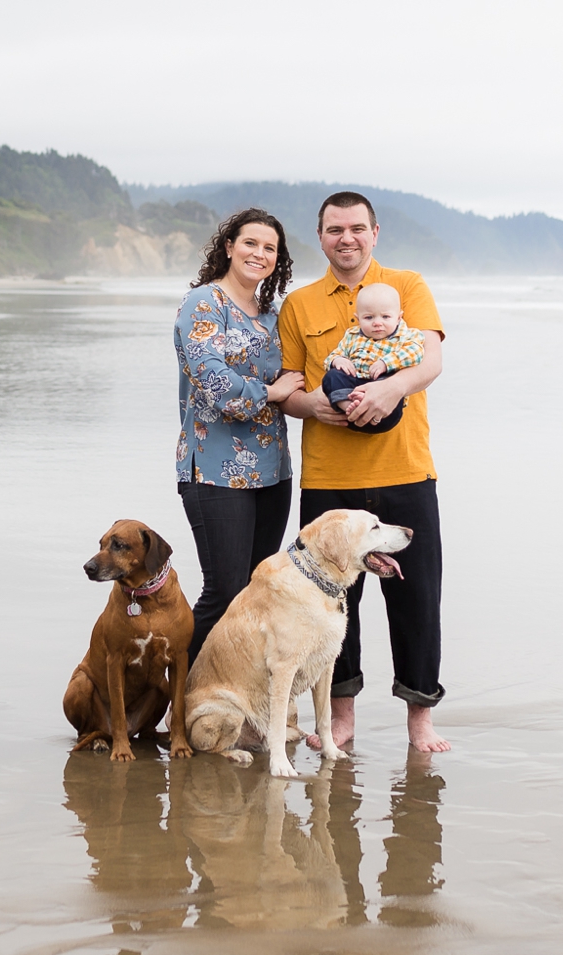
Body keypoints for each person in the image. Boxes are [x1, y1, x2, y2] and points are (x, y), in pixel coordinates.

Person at [278, 191, 450, 753]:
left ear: (375, 232)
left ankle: (420, 722)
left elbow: (430, 360)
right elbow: (288, 388)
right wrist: (314, 407)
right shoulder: (300, 304)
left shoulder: (408, 286)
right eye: (333, 230)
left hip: (405, 469)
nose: (345, 238)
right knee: (330, 602)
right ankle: (341, 719)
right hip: (330, 479)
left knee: (417, 599)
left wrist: (390, 387)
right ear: (321, 236)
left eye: (356, 228)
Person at [174, 208, 306, 663]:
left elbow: (300, 373)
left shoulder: (271, 314)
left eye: (270, 248)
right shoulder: (204, 303)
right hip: (213, 470)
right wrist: (271, 391)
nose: (259, 253)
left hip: (273, 473)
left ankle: (237, 697)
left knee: (254, 593)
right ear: (229, 246)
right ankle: (181, 700)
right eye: (250, 243)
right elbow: (212, 382)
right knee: (224, 590)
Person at [320, 282, 426, 435]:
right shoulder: (352, 335)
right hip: (353, 392)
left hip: (385, 404)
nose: (377, 323)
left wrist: (386, 363)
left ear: (398, 317)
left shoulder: (408, 335)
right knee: (331, 377)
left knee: (390, 381)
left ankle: (364, 406)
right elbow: (334, 355)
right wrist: (338, 360)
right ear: (358, 318)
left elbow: (416, 353)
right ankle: (349, 406)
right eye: (369, 317)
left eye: (385, 317)